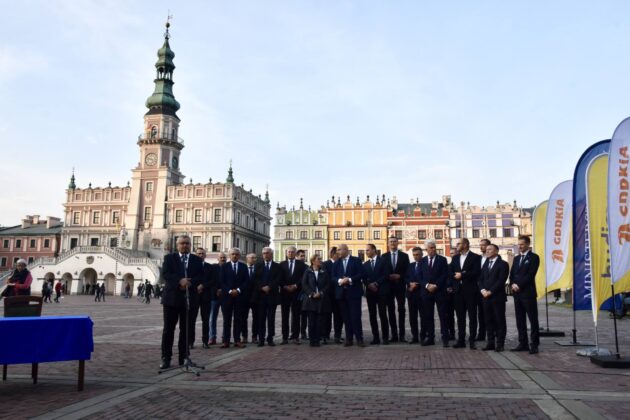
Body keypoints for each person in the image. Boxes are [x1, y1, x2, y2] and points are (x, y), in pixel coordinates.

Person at [159, 235, 205, 370]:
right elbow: (166, 274)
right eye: (182, 243)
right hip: (171, 299)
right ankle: (166, 357)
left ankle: (184, 357)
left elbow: (201, 276)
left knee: (186, 330)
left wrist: (189, 283)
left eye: (187, 243)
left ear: (191, 245)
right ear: (177, 245)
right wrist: (180, 281)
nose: (185, 246)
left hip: (189, 299)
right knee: (168, 330)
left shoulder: (196, 260)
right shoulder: (169, 258)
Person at [509, 235, 541, 354]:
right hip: (517, 294)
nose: (519, 246)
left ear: (528, 244)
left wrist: (519, 285)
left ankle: (534, 344)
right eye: (518, 244)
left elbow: (531, 274)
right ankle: (523, 343)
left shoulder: (534, 257)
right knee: (520, 319)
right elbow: (512, 274)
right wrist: (512, 284)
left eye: (522, 244)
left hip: (528, 293)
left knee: (533, 320)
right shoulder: (516, 258)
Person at [449, 238, 482, 349]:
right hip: (458, 291)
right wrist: (454, 276)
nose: (457, 245)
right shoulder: (455, 258)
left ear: (466, 244)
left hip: (471, 291)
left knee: (472, 316)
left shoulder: (476, 257)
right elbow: (450, 270)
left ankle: (472, 340)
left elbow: (476, 271)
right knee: (460, 317)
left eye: (459, 243)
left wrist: (462, 275)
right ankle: (461, 340)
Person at [419, 239, 450, 347]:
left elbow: (444, 274)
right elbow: (420, 276)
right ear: (426, 249)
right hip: (426, 292)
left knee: (443, 315)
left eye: (434, 247)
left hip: (439, 291)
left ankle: (445, 338)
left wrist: (436, 285)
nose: (433, 249)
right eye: (431, 248)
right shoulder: (422, 261)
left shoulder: (442, 260)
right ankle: (430, 337)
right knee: (428, 316)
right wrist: (427, 285)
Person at [333, 244, 365, 347]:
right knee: (346, 318)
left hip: (354, 293)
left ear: (346, 250)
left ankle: (359, 339)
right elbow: (332, 277)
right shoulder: (336, 263)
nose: (337, 252)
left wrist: (349, 279)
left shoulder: (356, 260)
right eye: (337, 250)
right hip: (341, 294)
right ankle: (349, 339)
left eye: (339, 250)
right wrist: (340, 280)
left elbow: (361, 274)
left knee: (355, 316)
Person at [479, 244, 509, 352]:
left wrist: (490, 291)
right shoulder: (486, 263)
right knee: (488, 320)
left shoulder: (503, 264)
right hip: (485, 297)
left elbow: (501, 280)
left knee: (499, 320)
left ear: (496, 251)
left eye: (490, 249)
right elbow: (480, 278)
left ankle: (500, 344)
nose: (487, 251)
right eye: (486, 249)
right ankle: (490, 342)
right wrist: (482, 290)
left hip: (497, 297)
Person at [381, 237, 410, 342]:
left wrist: (400, 276)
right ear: (388, 244)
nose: (392, 243)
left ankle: (402, 335)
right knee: (391, 311)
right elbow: (382, 271)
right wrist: (389, 276)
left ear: (398, 243)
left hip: (400, 286)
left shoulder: (404, 256)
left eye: (394, 241)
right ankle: (394, 335)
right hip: (388, 287)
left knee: (401, 310)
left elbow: (408, 271)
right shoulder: (384, 257)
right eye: (391, 242)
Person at [219, 247, 249, 348]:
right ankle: (226, 341)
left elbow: (246, 281)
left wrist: (238, 290)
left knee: (238, 319)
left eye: (236, 254)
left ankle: (237, 340)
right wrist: (229, 291)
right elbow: (221, 281)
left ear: (239, 256)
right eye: (232, 254)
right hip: (226, 297)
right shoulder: (224, 266)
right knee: (226, 319)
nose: (234, 256)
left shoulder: (244, 266)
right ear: (229, 255)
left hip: (239, 297)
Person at [252, 247, 282, 346]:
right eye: (264, 253)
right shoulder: (258, 265)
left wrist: (269, 287)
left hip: (272, 295)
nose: (265, 255)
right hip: (260, 296)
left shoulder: (277, 266)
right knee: (261, 318)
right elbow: (255, 279)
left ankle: (270, 338)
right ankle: (261, 339)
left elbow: (278, 279)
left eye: (267, 253)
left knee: (271, 318)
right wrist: (262, 287)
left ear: (271, 254)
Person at [363, 243, 390, 345]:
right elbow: (364, 278)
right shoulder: (365, 264)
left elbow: (386, 275)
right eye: (366, 250)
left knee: (383, 315)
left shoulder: (383, 261)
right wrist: (368, 284)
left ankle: (385, 337)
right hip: (370, 293)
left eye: (368, 250)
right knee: (372, 315)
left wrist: (376, 283)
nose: (366, 252)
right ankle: (376, 338)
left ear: (374, 250)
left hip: (382, 292)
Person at [279, 246, 307, 344]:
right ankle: (285, 337)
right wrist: (285, 286)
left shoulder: (301, 265)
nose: (290, 253)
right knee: (284, 316)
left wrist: (296, 285)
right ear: (286, 253)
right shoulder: (282, 265)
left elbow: (303, 277)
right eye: (289, 252)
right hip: (285, 293)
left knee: (296, 316)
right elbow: (279, 278)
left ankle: (295, 336)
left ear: (295, 253)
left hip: (296, 293)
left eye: (292, 252)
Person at [301, 253, 330, 347]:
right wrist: (311, 293)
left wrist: (321, 293)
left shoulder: (324, 272)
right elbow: (304, 284)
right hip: (310, 300)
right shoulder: (307, 271)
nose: (320, 261)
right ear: (313, 261)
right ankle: (312, 340)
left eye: (321, 259)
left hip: (321, 299)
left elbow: (327, 285)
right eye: (318, 259)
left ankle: (317, 339)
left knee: (319, 321)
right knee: (311, 321)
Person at [196, 248, 217, 349]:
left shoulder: (210, 267)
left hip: (206, 297)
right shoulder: (191, 267)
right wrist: (196, 286)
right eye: (199, 254)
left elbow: (213, 280)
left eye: (202, 254)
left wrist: (203, 286)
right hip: (194, 295)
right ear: (196, 255)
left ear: (205, 255)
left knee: (205, 320)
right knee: (191, 320)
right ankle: (190, 341)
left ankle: (205, 341)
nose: (200, 255)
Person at [322, 247, 343, 344]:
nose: (339, 255)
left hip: (339, 294)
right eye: (337, 253)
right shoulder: (325, 264)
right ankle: (325, 336)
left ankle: (337, 336)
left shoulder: (341, 263)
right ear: (332, 254)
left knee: (338, 316)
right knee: (327, 316)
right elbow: (326, 278)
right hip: (328, 295)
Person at [405, 247, 424, 344]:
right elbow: (406, 277)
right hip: (411, 294)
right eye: (414, 255)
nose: (416, 257)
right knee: (412, 317)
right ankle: (415, 336)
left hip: (421, 294)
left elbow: (426, 277)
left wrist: (416, 284)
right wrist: (409, 284)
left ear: (422, 255)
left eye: (417, 255)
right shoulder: (410, 266)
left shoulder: (425, 265)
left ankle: (423, 336)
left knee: (423, 316)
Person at [208, 252, 227, 345]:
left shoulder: (228, 267)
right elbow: (211, 280)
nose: (222, 259)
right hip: (214, 296)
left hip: (226, 296)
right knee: (212, 318)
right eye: (221, 257)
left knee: (226, 318)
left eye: (224, 257)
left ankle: (225, 336)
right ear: (217, 258)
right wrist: (217, 289)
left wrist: (223, 289)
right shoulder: (213, 267)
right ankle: (212, 337)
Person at [241, 253, 259, 343]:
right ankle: (244, 336)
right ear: (247, 259)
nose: (253, 259)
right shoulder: (242, 268)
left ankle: (254, 336)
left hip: (256, 297)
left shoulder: (258, 269)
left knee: (256, 318)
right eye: (251, 258)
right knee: (243, 317)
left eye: (255, 258)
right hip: (244, 297)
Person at [476, 239, 491, 341]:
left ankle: (491, 334)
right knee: (480, 313)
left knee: (490, 314)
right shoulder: (478, 259)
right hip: (478, 290)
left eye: (483, 245)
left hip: (489, 290)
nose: (481, 247)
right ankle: (481, 334)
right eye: (480, 245)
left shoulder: (492, 259)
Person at [296, 249, 309, 340]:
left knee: (304, 315)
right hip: (295, 293)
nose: (303, 257)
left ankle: (303, 332)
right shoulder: (294, 266)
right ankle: (295, 333)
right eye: (301, 256)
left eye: (304, 256)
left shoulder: (307, 267)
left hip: (304, 294)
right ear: (297, 256)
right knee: (295, 315)